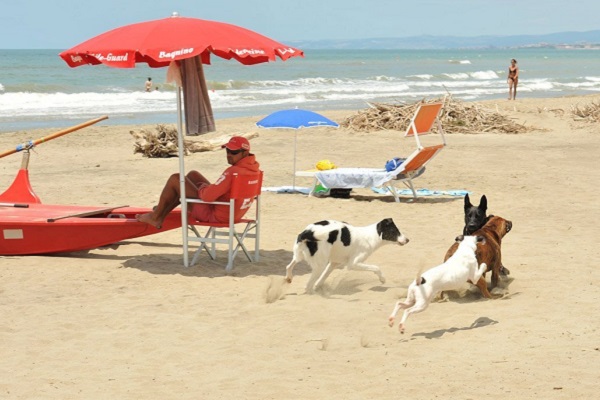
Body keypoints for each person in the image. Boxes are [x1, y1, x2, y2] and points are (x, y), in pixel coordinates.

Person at [136, 136, 260, 229]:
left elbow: (207, 196)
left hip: (216, 215)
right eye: (227, 151)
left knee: (176, 178)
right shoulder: (254, 170)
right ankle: (162, 211)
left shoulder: (233, 171)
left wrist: (203, 188)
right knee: (193, 175)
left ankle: (157, 216)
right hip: (233, 213)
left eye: (233, 152)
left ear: (245, 153)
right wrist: (206, 188)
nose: (228, 155)